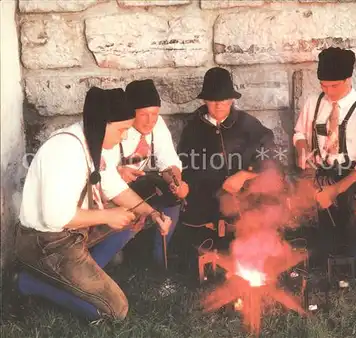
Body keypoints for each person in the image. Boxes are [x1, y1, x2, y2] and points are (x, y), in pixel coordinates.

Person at [14, 87, 171, 321]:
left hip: (73, 232)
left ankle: (79, 275)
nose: (125, 136)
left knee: (136, 215)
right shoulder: (64, 151)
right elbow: (55, 217)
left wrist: (152, 212)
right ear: (102, 124)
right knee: (115, 311)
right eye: (122, 130)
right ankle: (30, 283)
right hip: (47, 242)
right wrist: (109, 216)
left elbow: (115, 188)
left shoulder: (94, 142)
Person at [172, 67, 277, 274]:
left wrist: (245, 175)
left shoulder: (247, 124)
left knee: (261, 213)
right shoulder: (193, 129)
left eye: (224, 99)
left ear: (231, 100)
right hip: (207, 197)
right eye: (213, 100)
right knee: (201, 240)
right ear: (204, 101)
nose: (219, 104)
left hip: (244, 194)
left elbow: (270, 151)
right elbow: (185, 164)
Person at [293, 47, 356, 263]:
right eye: (324, 85)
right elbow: (299, 134)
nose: (328, 91)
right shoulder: (313, 103)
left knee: (351, 252)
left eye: (334, 85)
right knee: (325, 249)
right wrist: (303, 150)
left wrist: (334, 191)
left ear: (348, 79)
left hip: (355, 179)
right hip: (322, 173)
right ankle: (328, 239)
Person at [101, 79, 188, 267]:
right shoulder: (115, 127)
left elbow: (168, 161)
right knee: (117, 252)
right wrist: (117, 172)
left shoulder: (157, 125)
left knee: (170, 194)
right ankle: (101, 259)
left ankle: (159, 257)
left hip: (134, 184)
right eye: (143, 114)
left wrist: (175, 181)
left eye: (154, 114)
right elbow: (100, 172)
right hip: (106, 191)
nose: (150, 121)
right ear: (130, 113)